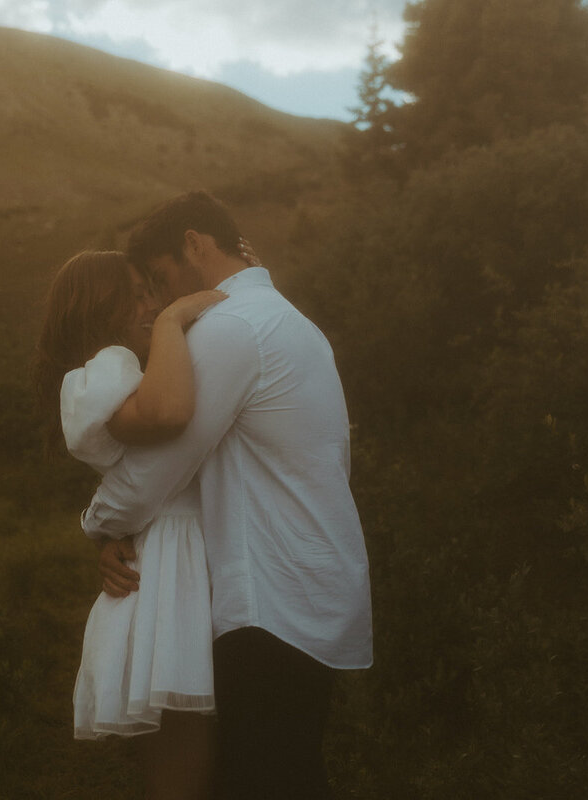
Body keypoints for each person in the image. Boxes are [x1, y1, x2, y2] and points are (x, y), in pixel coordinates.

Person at [83, 191, 373, 800]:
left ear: (195, 244)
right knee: (284, 771)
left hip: (272, 596)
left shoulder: (231, 329)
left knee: (267, 778)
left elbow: (161, 463)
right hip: (308, 580)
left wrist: (101, 524)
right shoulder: (289, 320)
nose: (162, 299)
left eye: (161, 278)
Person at [34, 249, 231, 799]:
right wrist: (174, 318)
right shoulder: (107, 367)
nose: (151, 302)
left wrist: (106, 528)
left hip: (183, 545)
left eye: (152, 290)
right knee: (180, 739)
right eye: (135, 293)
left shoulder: (137, 366)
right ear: (99, 307)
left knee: (195, 737)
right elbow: (157, 442)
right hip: (171, 558)